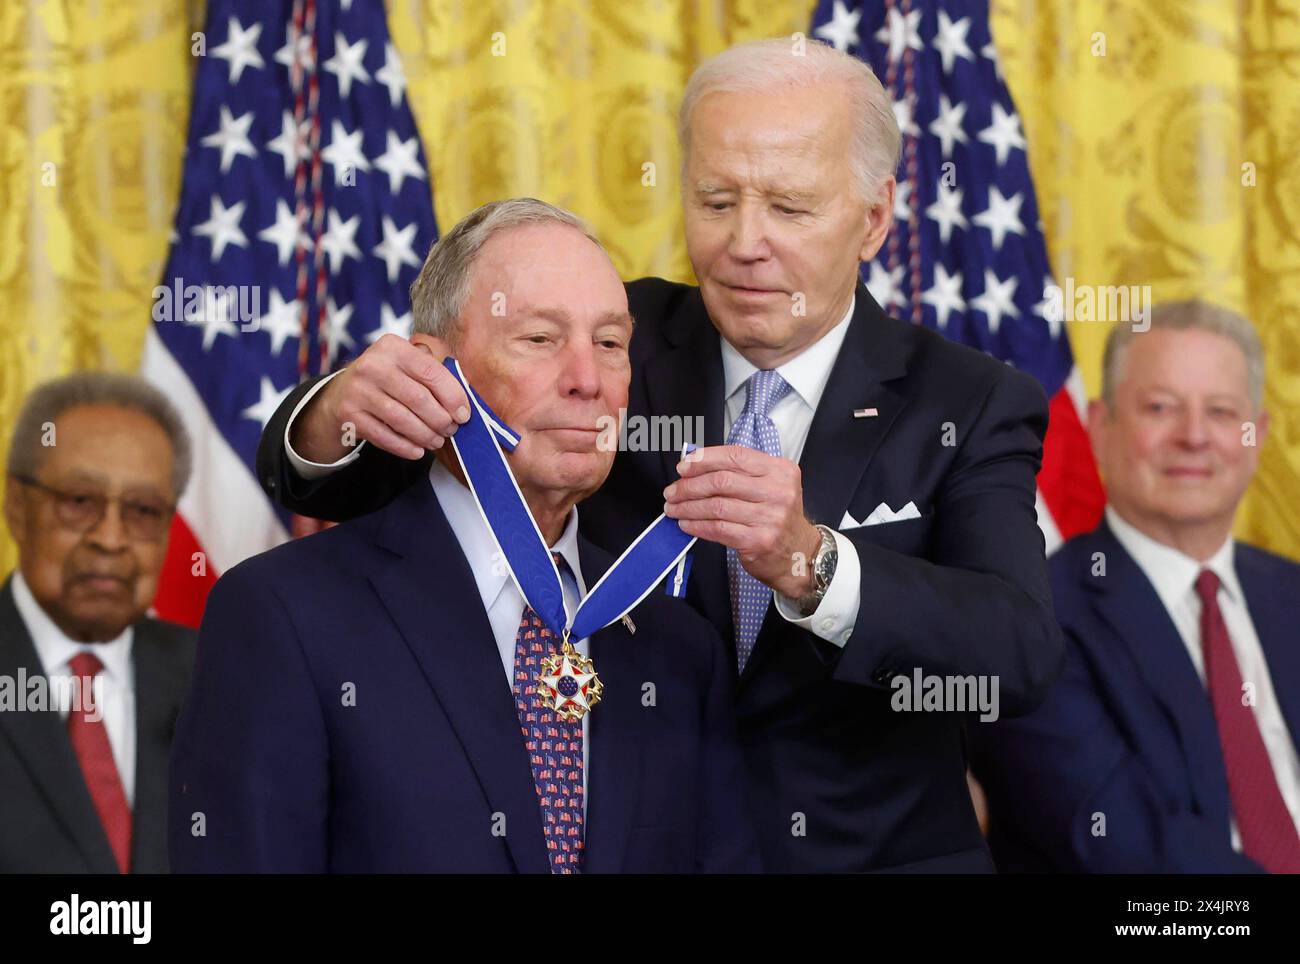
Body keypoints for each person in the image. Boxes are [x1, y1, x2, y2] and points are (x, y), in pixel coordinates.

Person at [254, 39, 1063, 872]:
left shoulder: (968, 401)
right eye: (715, 201)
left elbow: (1018, 655)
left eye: (788, 208)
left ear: (874, 219)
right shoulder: (601, 341)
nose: (744, 243)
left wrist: (815, 566)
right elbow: (379, 476)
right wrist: (336, 416)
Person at [170, 199, 758, 874]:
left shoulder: (676, 648)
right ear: (431, 371)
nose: (588, 381)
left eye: (609, 344)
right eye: (539, 339)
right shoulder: (285, 616)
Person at [973, 301, 1300, 873]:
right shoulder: (1033, 622)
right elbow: (1131, 854)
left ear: (1257, 435)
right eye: (1160, 408)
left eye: (1221, 412)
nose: (1194, 436)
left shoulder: (1290, 595)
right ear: (1101, 427)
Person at [0, 373, 195, 873]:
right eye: (80, 502)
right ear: (17, 506)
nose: (110, 539)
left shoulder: (217, 677)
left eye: (143, 511)